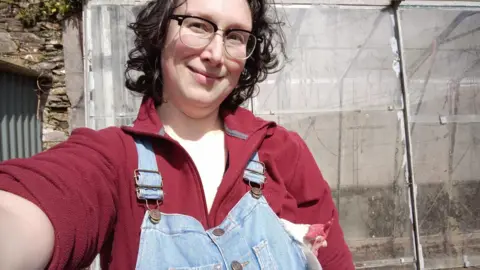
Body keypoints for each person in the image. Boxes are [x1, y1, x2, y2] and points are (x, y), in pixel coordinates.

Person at [0, 0, 355, 269]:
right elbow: (28, 211)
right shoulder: (112, 157)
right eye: (199, 26)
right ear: (161, 32)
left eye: (235, 36)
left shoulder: (281, 150)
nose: (215, 54)